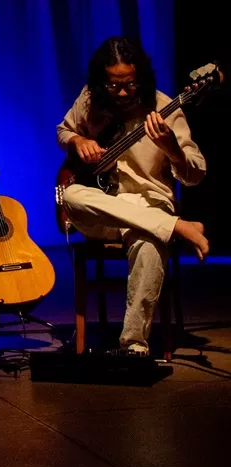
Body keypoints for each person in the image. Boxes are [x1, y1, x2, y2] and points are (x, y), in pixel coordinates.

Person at [58, 36, 207, 355]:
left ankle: (134, 346)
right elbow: (63, 130)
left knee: (151, 244)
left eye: (130, 84)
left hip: (147, 206)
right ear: (101, 81)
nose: (123, 93)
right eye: (114, 86)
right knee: (70, 198)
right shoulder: (90, 99)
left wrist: (172, 150)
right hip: (105, 212)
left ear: (142, 77)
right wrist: (77, 141)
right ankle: (177, 226)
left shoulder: (165, 109)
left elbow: (196, 173)